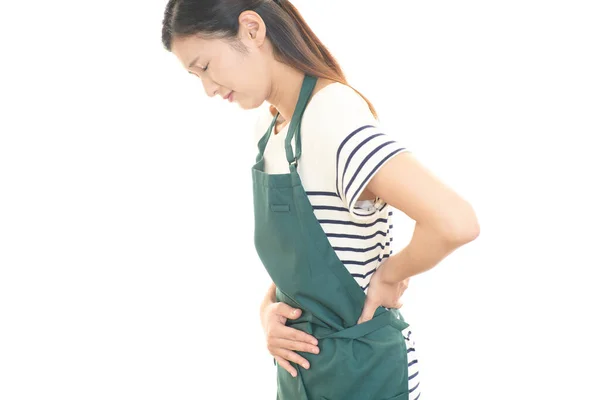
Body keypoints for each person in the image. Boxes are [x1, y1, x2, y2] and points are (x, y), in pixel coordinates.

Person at [162, 1, 480, 398]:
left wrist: (390, 273)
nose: (207, 90)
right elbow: (306, 258)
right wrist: (269, 312)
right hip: (302, 378)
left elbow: (455, 221)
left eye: (205, 67)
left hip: (365, 375)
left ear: (252, 30)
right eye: (196, 77)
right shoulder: (270, 128)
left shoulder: (332, 114)